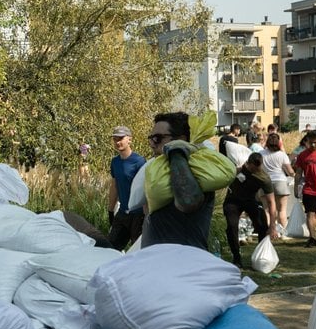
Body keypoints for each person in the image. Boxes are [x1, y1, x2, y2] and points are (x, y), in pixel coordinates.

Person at [142, 112, 215, 251]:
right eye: (150, 138)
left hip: (185, 262)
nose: (152, 144)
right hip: (157, 261)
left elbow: (188, 201)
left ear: (180, 139)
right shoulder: (159, 171)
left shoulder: (198, 170)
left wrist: (176, 152)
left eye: (157, 138)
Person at [224, 152, 278, 267]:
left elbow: (271, 202)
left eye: (257, 169)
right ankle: (236, 258)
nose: (255, 171)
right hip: (233, 201)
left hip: (250, 200)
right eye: (252, 169)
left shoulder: (264, 178)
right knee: (231, 226)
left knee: (262, 224)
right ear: (248, 163)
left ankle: (262, 256)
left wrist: (272, 226)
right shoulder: (239, 169)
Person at [106, 125, 145, 250]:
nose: (118, 142)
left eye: (121, 138)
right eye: (115, 139)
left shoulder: (139, 162)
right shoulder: (115, 162)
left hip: (139, 215)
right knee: (110, 249)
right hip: (122, 213)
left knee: (138, 253)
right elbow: (114, 186)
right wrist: (110, 211)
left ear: (129, 139)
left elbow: (146, 189)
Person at [260, 132, 295, 230]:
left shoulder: (261, 154)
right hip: (280, 181)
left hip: (265, 182)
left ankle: (268, 230)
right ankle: (283, 231)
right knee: (282, 210)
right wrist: (294, 175)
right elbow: (290, 171)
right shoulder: (282, 155)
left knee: (267, 210)